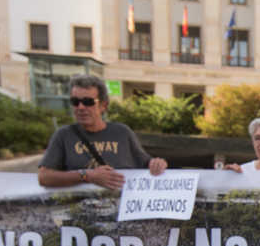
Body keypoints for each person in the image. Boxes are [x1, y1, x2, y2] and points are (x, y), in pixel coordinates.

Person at [38, 75, 167, 190]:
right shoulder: (63, 135)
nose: (81, 107)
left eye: (88, 102)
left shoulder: (122, 132)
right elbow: (44, 177)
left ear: (103, 106)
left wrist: (157, 164)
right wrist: (87, 175)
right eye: (75, 102)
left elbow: (146, 162)